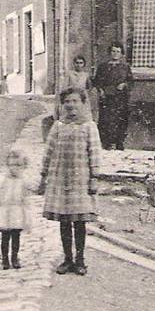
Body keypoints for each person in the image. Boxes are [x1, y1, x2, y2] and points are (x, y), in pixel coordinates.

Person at [39, 87, 102, 276]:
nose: (71, 105)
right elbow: (49, 151)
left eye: (75, 101)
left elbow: (95, 153)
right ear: (62, 105)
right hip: (60, 178)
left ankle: (80, 259)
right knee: (64, 221)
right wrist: (43, 175)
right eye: (67, 102)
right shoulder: (58, 126)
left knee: (79, 221)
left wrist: (94, 178)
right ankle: (67, 258)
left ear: (83, 104)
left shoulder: (89, 126)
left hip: (81, 180)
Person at [0, 148, 32, 269]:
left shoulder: (23, 181)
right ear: (7, 165)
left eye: (18, 165)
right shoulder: (2, 180)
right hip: (5, 210)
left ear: (23, 166)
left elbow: (26, 198)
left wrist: (27, 213)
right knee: (5, 237)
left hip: (17, 211)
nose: (14, 168)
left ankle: (14, 257)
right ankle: (5, 259)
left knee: (16, 236)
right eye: (12, 165)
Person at [92, 42, 134, 150]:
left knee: (121, 119)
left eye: (118, 52)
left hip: (121, 97)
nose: (115, 54)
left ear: (121, 54)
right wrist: (100, 90)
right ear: (110, 53)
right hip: (107, 97)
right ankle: (107, 143)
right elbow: (97, 81)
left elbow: (131, 81)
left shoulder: (125, 67)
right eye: (113, 51)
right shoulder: (103, 66)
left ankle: (119, 142)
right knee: (106, 119)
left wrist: (124, 84)